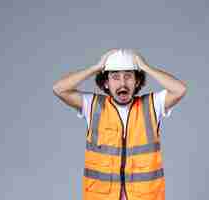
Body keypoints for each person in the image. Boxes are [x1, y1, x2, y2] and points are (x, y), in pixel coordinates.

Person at [52, 48, 187, 200]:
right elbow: (59, 89)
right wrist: (95, 68)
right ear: (106, 83)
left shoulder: (152, 105)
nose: (123, 83)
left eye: (128, 76)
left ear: (137, 81)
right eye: (115, 77)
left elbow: (180, 90)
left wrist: (145, 67)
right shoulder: (93, 105)